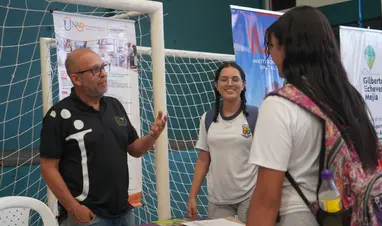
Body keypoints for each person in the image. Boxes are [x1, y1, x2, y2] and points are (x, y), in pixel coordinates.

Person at [246, 6, 382, 226]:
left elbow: (267, 199)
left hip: (299, 217)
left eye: (271, 46)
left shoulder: (279, 105)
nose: (270, 54)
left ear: (288, 49)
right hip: (348, 216)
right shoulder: (349, 99)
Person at [40, 48, 167, 226]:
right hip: (88, 217)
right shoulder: (59, 115)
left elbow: (135, 149)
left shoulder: (114, 105)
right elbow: (48, 168)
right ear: (76, 79)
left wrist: (153, 136)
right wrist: (74, 207)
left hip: (123, 212)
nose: (103, 74)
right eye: (95, 70)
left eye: (103, 67)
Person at [188, 62, 258, 223]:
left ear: (243, 84)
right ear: (217, 85)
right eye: (224, 80)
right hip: (218, 200)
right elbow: (203, 159)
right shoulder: (208, 118)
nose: (230, 84)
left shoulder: (255, 115)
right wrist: (192, 195)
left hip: (250, 196)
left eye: (235, 79)